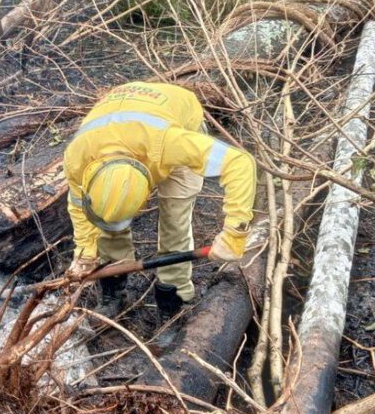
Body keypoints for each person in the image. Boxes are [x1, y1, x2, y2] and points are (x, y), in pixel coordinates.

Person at [63, 81, 256, 323]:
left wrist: (234, 235)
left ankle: (172, 301)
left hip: (178, 120)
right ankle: (115, 284)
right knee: (107, 228)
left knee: (175, 222)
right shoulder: (77, 156)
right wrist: (85, 253)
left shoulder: (170, 143)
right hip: (122, 119)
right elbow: (77, 205)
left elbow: (240, 163)